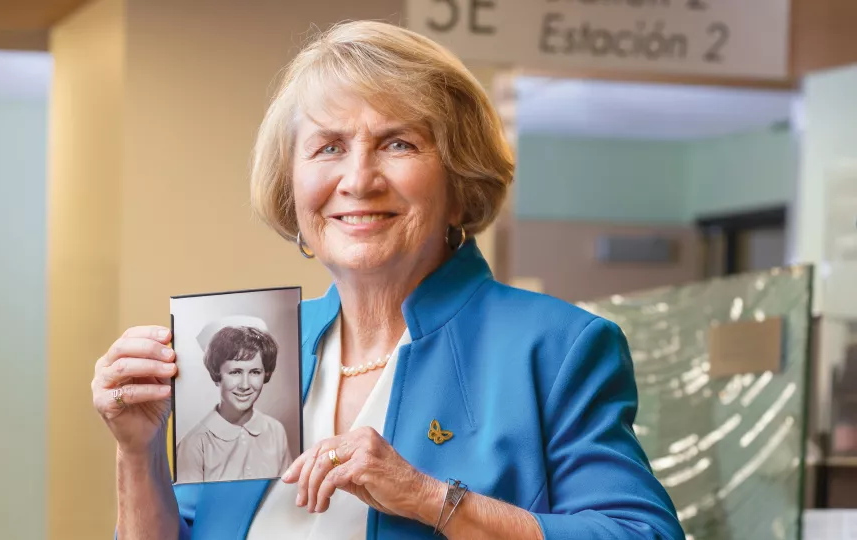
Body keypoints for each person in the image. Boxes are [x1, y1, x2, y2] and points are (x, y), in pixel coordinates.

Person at [91, 19, 686, 540]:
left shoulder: (555, 347)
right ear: (292, 189)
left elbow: (643, 533)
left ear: (460, 184)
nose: (359, 179)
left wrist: (430, 499)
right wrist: (136, 450)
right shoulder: (252, 346)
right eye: (328, 147)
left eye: (398, 143)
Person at [175, 321, 292, 484]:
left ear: (266, 374)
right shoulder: (194, 444)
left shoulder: (275, 431)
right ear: (217, 374)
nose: (245, 385)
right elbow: (188, 507)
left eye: (255, 372)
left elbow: (286, 494)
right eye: (235, 372)